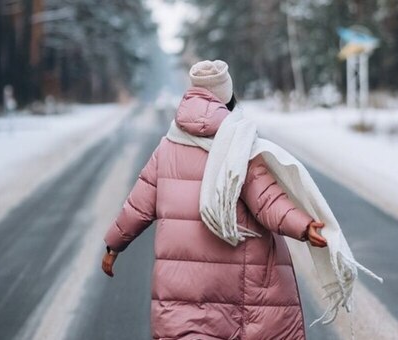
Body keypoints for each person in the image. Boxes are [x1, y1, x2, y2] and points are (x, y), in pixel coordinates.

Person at [102, 60, 327, 340]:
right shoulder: (239, 144)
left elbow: (138, 204)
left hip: (179, 288)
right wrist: (303, 226)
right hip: (237, 286)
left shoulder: (168, 145)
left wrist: (114, 245)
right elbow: (267, 199)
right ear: (226, 96)